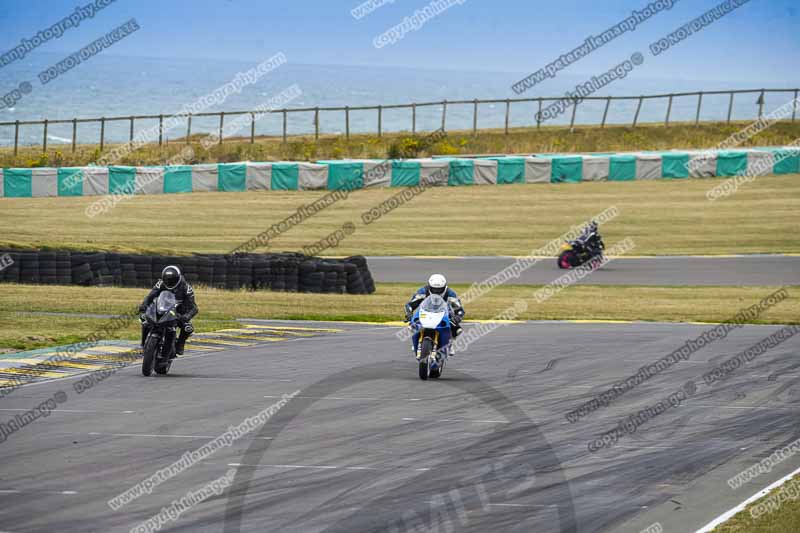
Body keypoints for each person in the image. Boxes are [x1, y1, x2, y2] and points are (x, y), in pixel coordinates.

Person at [138, 265, 198, 356]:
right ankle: (143, 345)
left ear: (177, 279)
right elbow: (150, 296)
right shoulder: (160, 284)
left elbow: (194, 307)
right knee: (144, 320)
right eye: (167, 280)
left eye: (172, 280)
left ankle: (180, 344)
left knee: (188, 328)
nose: (169, 282)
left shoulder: (186, 288)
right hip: (162, 308)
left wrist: (187, 316)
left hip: (179, 313)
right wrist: (143, 306)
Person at [404, 273, 464, 356]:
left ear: (444, 287)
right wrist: (409, 313)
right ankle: (417, 341)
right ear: (429, 287)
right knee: (412, 324)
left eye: (439, 289)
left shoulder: (450, 294)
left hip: (444, 313)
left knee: (457, 330)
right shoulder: (423, 291)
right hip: (426, 312)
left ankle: (450, 342)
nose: (436, 292)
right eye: (434, 289)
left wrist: (458, 317)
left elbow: (460, 309)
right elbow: (410, 304)